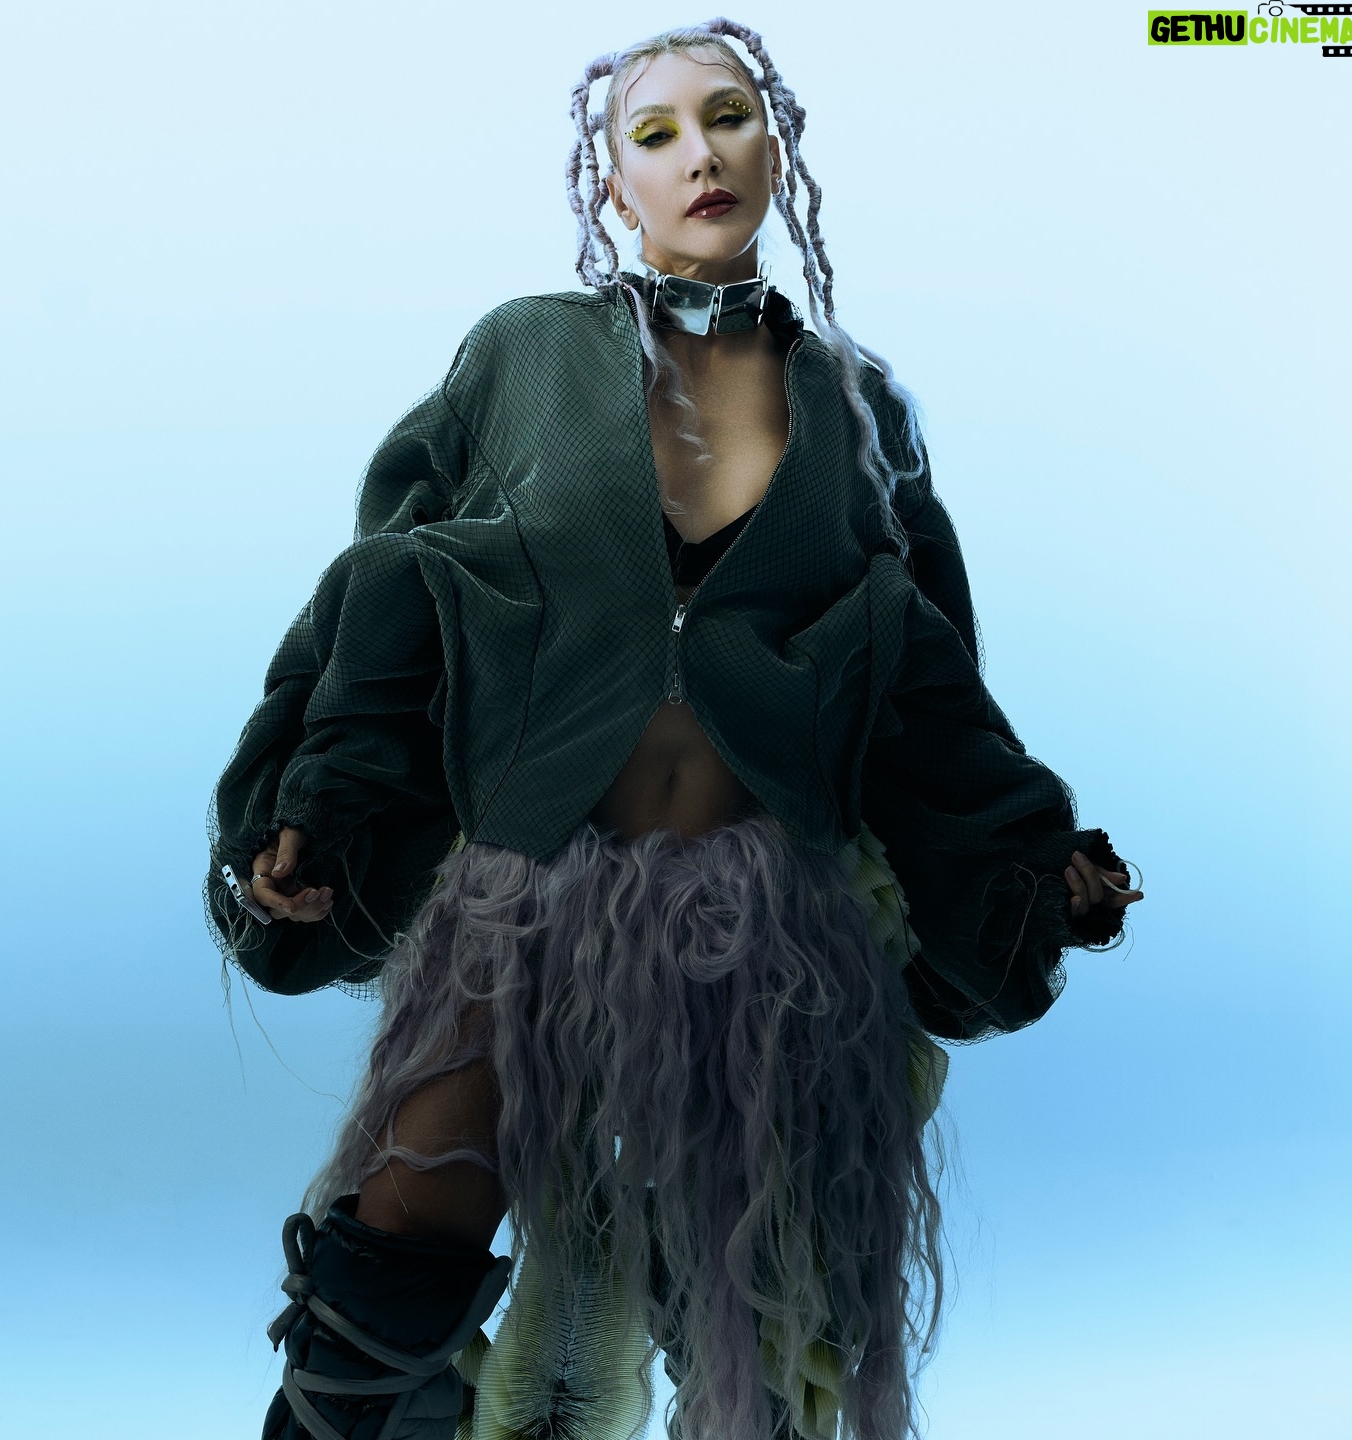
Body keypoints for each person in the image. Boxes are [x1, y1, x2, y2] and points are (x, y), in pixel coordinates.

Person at [205, 19, 1142, 1440]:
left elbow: (919, 670)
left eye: (729, 117)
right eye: (656, 134)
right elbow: (400, 583)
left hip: (772, 925)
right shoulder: (522, 355)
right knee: (389, 1267)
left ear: (779, 148)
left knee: (767, 1320)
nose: (700, 154)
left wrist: (1029, 854)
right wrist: (320, 811)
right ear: (612, 185)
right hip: (527, 897)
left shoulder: (857, 408)